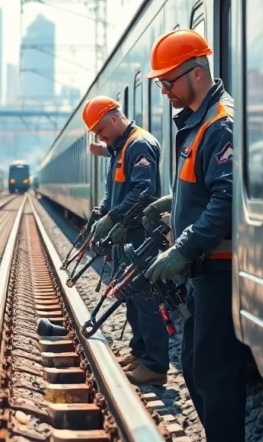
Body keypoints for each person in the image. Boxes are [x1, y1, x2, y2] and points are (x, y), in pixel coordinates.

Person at [142, 29, 247, 442]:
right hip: (201, 271)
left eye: (169, 81)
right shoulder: (197, 123)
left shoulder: (221, 124)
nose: (165, 90)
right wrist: (174, 200)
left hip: (220, 269)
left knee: (215, 374)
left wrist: (181, 249)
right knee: (193, 365)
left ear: (197, 73)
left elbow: (226, 200)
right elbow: (208, 184)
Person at [80, 95, 169, 385]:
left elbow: (144, 192)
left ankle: (155, 366)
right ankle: (140, 352)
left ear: (115, 119)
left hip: (139, 234)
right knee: (129, 294)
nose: (100, 136)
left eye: (101, 129)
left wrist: (113, 217)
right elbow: (114, 190)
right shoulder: (120, 147)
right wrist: (103, 212)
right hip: (125, 234)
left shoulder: (139, 144)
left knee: (144, 297)